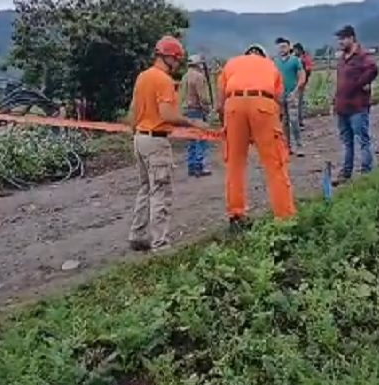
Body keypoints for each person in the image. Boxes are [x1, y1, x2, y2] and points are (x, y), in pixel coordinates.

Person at [126, 36, 209, 252]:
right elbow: (167, 114)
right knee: (161, 191)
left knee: (145, 188)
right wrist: (192, 122)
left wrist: (135, 131)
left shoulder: (142, 77)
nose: (178, 65)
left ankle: (137, 234)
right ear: (170, 58)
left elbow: (133, 110)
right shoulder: (163, 80)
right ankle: (160, 244)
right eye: (177, 60)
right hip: (156, 140)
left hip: (140, 137)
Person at [216, 43, 296, 231]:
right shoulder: (270, 65)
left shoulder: (232, 64)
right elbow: (278, 98)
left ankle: (236, 216)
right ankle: (285, 218)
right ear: (263, 55)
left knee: (235, 165)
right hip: (263, 104)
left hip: (233, 105)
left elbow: (220, 104)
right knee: (274, 164)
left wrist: (229, 125)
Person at [332, 25, 379, 185]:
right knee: (347, 142)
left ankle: (367, 172)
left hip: (357, 106)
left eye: (343, 39)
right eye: (339, 39)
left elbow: (373, 69)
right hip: (342, 106)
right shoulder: (342, 59)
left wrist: (361, 83)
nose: (340, 42)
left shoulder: (362, 56)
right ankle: (346, 172)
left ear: (352, 38)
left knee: (362, 140)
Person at [180, 53, 212, 177]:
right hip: (197, 110)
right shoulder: (199, 77)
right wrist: (207, 108)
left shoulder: (185, 77)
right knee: (201, 138)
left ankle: (191, 165)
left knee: (191, 140)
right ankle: (200, 166)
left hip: (186, 111)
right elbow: (202, 97)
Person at [273, 37, 306, 157]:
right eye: (279, 47)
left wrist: (296, 91)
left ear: (289, 47)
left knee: (294, 120)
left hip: (292, 94)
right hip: (280, 95)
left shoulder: (295, 60)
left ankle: (299, 145)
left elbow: (302, 76)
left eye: (284, 47)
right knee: (284, 122)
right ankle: (287, 146)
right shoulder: (275, 62)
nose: (281, 49)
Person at [293, 42, 314, 130]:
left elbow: (309, 69)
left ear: (299, 50)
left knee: (299, 104)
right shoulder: (296, 58)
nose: (294, 51)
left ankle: (299, 122)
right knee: (296, 103)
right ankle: (296, 122)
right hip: (295, 83)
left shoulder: (304, 59)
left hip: (300, 83)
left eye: (295, 50)